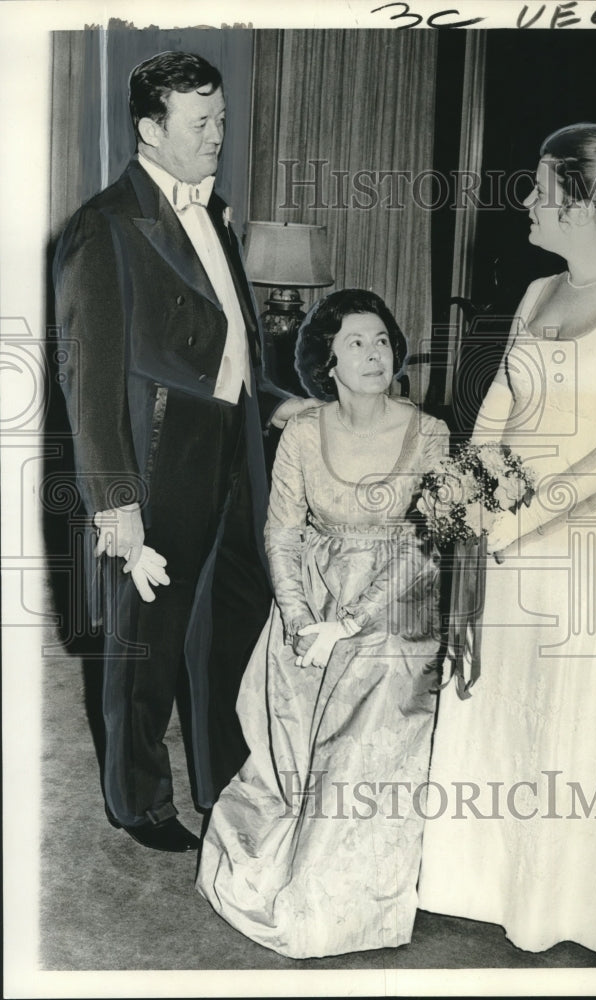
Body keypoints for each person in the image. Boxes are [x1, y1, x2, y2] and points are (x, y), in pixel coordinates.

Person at [418, 123, 596, 960]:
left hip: (591, 541)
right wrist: (477, 478)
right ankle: (475, 881)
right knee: (499, 697)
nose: (526, 201)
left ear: (581, 201)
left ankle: (561, 903)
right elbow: (497, 411)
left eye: (538, 188)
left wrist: (521, 514)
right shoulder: (535, 294)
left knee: (573, 713)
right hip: (514, 524)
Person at [54, 51, 315, 853]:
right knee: (145, 642)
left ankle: (222, 782)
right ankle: (137, 801)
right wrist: (117, 503)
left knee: (227, 629)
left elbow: (235, 350)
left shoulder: (216, 214)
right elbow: (87, 379)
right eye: (201, 124)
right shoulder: (103, 226)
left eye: (222, 119)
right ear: (150, 129)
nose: (218, 136)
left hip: (232, 454)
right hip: (158, 458)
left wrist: (283, 404)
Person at [196, 289, 449, 958]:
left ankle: (344, 895)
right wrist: (302, 618)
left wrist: (352, 624)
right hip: (313, 598)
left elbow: (427, 543)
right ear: (326, 361)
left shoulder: (430, 433)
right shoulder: (304, 432)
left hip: (399, 607)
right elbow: (281, 532)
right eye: (357, 344)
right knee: (286, 684)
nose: (373, 355)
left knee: (368, 698)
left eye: (382, 342)